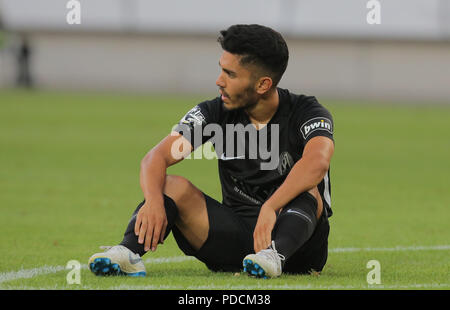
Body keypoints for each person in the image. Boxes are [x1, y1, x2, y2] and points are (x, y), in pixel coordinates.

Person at [88, 24, 335, 278]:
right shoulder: (214, 113)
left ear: (262, 84)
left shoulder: (307, 112)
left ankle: (274, 256)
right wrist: (152, 201)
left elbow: (317, 163)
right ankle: (127, 253)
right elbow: (156, 157)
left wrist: (270, 207)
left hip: (298, 246)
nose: (219, 81)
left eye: (230, 74)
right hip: (235, 236)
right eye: (221, 69)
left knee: (308, 188)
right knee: (168, 186)